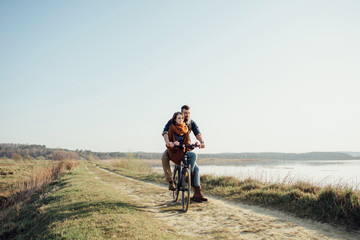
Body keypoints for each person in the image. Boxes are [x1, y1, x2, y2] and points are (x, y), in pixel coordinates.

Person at [162, 105, 207, 202]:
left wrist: (201, 142)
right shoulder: (173, 121)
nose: (187, 115)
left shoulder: (190, 123)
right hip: (173, 147)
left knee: (197, 168)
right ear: (181, 113)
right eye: (185, 113)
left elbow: (197, 133)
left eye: (188, 113)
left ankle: (197, 192)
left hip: (185, 147)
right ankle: (171, 181)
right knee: (164, 157)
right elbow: (165, 132)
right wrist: (168, 143)